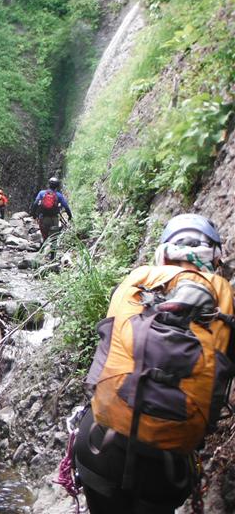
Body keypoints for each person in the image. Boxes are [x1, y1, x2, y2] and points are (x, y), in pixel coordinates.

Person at [75, 214, 234, 513]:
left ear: (163, 252)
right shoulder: (224, 300)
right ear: (214, 257)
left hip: (99, 444)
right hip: (166, 466)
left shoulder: (135, 282)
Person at [31, 177, 73, 242]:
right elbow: (66, 206)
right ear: (57, 186)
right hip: (54, 218)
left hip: (43, 218)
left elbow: (35, 203)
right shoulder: (59, 195)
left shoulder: (42, 193)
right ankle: (53, 251)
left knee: (45, 236)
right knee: (54, 237)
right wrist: (70, 216)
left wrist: (34, 214)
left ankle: (43, 248)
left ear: (49, 184)